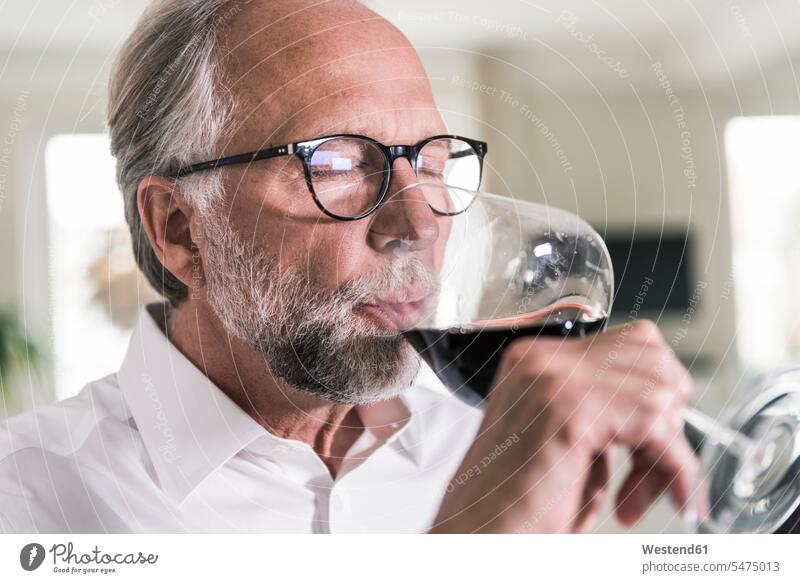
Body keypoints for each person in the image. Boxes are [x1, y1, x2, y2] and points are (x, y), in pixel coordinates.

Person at [0, 0, 697, 533]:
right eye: (334, 163)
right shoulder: (28, 500)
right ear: (181, 229)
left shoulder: (492, 441)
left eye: (428, 159)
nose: (419, 223)